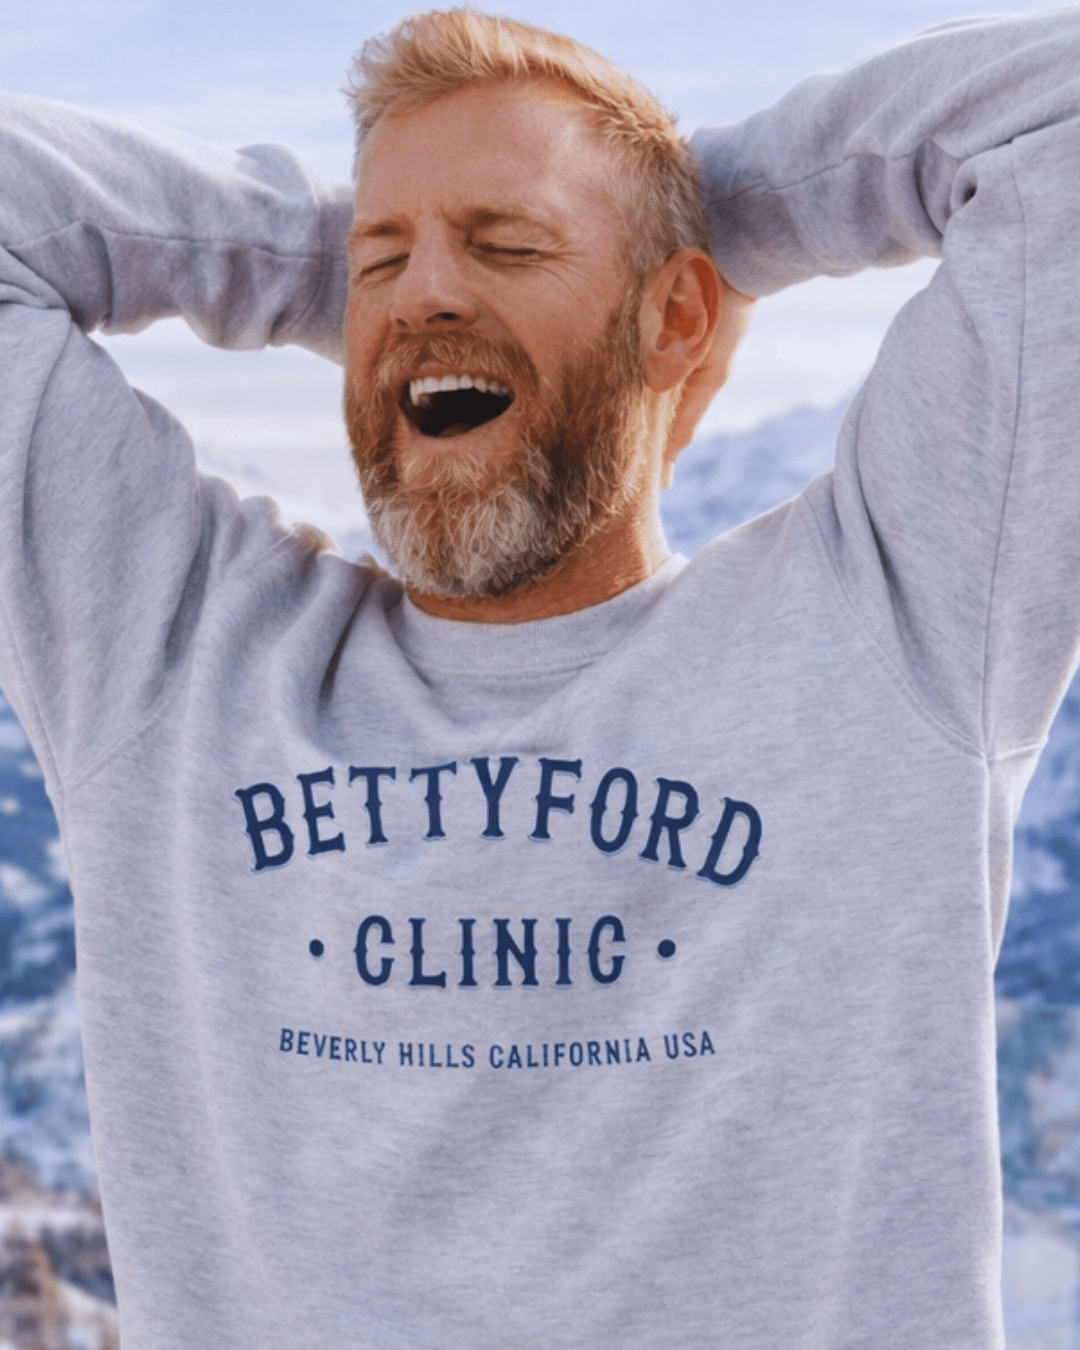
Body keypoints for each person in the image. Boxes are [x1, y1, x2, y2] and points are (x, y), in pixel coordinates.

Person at [0, 7, 1076, 1346]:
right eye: (377, 260)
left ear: (678, 314)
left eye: (509, 243)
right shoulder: (177, 656)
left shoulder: (885, 626)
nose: (426, 292)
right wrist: (324, 262)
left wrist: (701, 207)